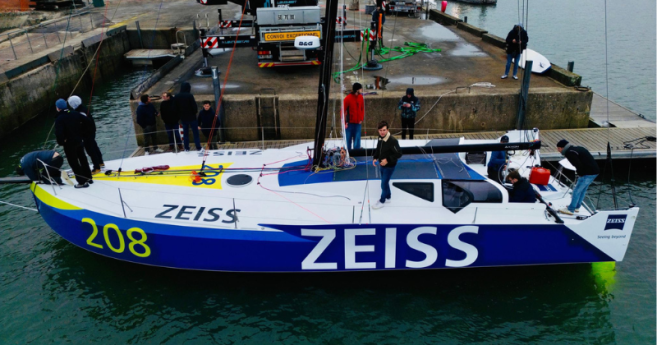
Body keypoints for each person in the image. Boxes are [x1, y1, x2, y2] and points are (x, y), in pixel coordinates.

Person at [54, 98, 93, 188]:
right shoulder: (75, 113)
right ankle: (88, 177)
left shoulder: (59, 119)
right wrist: (82, 133)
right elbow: (88, 122)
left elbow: (59, 133)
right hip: (79, 140)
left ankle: (81, 182)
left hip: (69, 144)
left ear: (58, 108)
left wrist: (62, 142)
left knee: (74, 162)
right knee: (83, 158)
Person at [557, 139, 600, 215]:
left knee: (576, 191)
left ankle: (571, 209)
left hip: (588, 173)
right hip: (594, 171)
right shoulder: (576, 148)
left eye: (558, 148)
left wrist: (581, 174)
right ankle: (576, 206)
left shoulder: (569, 153)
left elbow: (577, 164)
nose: (558, 150)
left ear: (562, 148)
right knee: (582, 190)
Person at [68, 95, 104, 174]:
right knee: (94, 146)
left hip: (86, 134)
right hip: (91, 131)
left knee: (90, 150)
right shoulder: (83, 108)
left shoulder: (79, 112)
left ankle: (97, 167)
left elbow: (83, 123)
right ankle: (100, 162)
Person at [372, 121, 402, 209]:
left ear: (387, 130)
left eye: (384, 130)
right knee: (385, 182)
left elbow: (399, 153)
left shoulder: (392, 141)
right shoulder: (380, 138)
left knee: (383, 184)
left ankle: (382, 201)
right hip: (382, 165)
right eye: (380, 130)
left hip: (389, 166)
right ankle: (388, 197)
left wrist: (387, 160)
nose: (382, 132)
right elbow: (378, 149)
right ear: (378, 131)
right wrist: (375, 157)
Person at [176, 82, 201, 151]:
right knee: (195, 133)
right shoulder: (189, 95)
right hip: (192, 118)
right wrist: (194, 113)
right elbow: (194, 106)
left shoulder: (177, 96)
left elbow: (176, 107)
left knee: (185, 134)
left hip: (183, 118)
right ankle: (198, 147)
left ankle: (186, 148)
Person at [342, 83, 364, 151]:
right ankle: (347, 155)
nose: (362, 90)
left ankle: (356, 156)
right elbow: (342, 111)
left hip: (358, 123)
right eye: (360, 89)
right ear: (357, 90)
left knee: (357, 141)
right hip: (349, 124)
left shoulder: (361, 97)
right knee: (348, 141)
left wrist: (361, 119)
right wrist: (344, 122)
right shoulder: (347, 99)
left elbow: (362, 109)